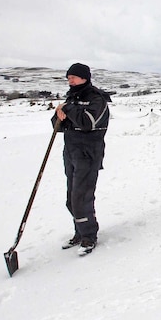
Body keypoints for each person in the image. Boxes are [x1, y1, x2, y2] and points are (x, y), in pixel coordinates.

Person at [53, 63, 111, 255]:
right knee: (71, 198)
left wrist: (68, 109)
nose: (70, 80)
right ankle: (79, 232)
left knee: (81, 197)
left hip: (88, 153)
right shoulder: (72, 98)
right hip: (71, 152)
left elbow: (89, 122)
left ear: (85, 77)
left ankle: (89, 236)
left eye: (74, 77)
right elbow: (60, 127)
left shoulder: (97, 99)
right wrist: (58, 116)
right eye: (68, 77)